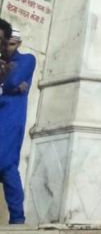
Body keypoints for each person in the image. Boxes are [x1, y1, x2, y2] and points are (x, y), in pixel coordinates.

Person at [0, 26, 36, 225]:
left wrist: (6, 82)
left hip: (10, 118)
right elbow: (12, 84)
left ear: (19, 44)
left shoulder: (27, 59)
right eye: (5, 44)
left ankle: (17, 219)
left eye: (12, 44)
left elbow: (13, 81)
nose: (8, 48)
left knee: (6, 163)